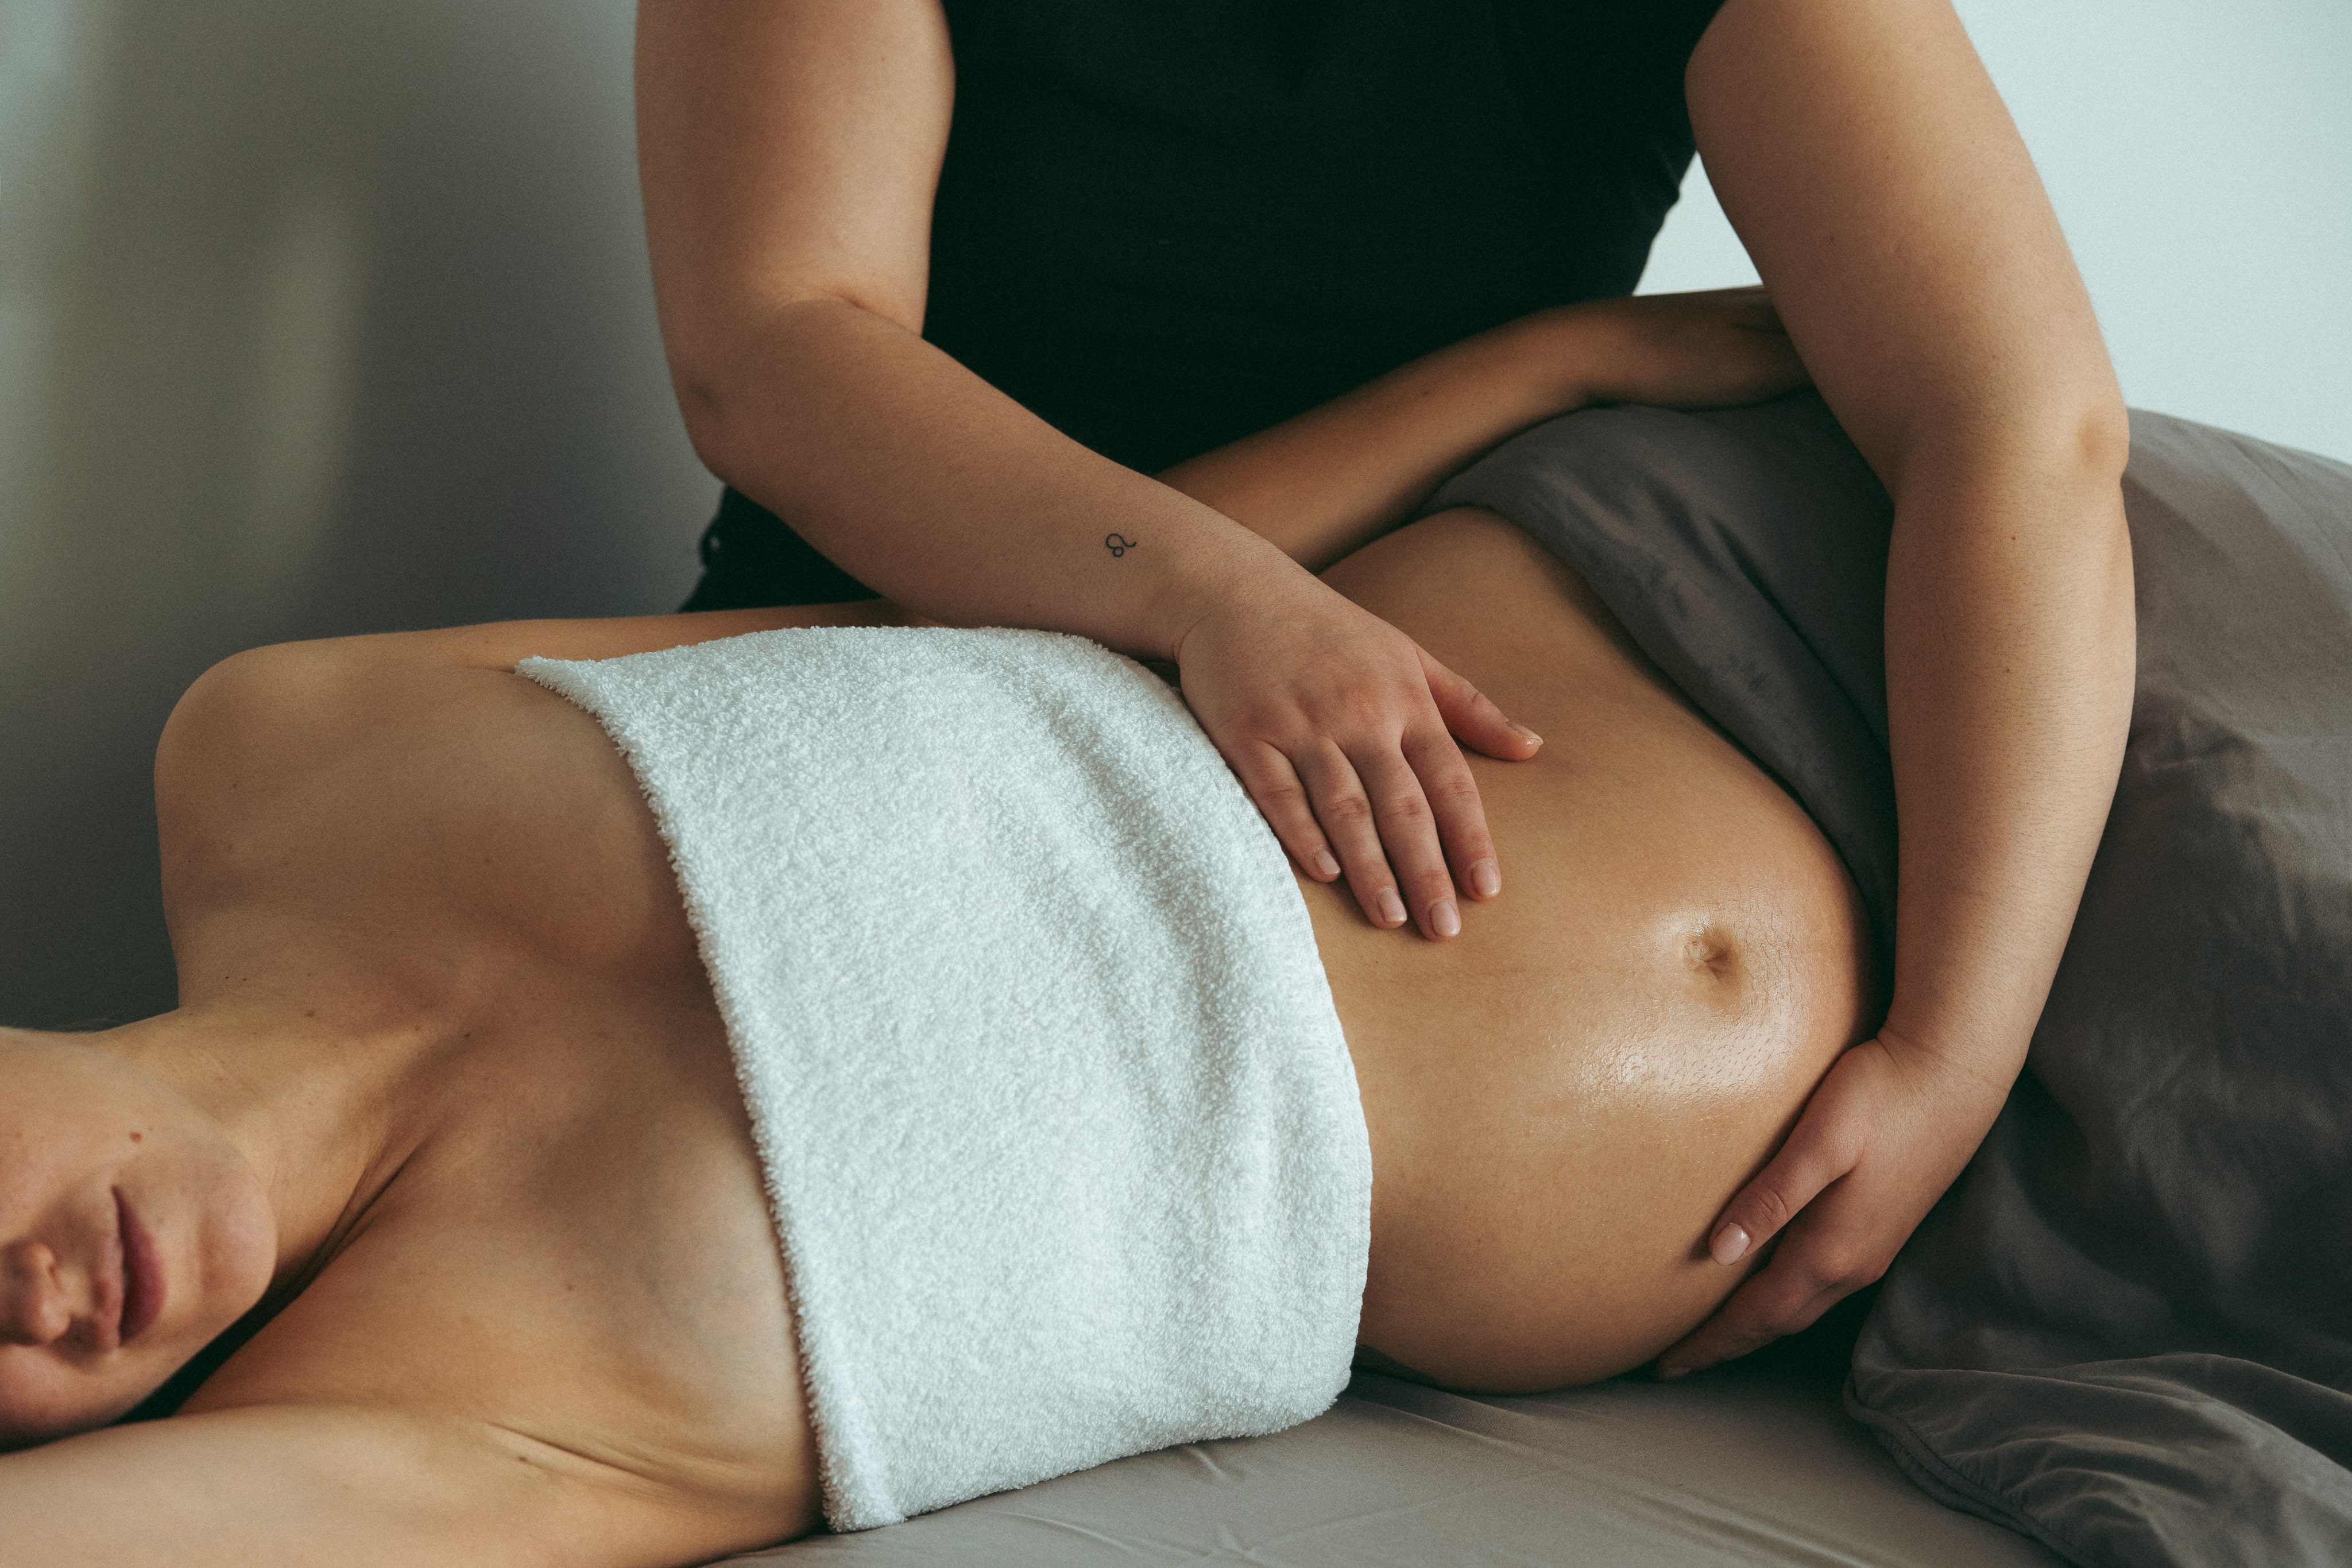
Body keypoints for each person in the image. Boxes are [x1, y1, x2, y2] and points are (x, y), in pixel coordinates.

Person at [1, 296, 1865, 1561]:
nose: (16, 1293)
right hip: (1864, 1176)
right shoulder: (410, 1428)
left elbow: (969, 635)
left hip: (1705, 563)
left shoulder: (278, 756)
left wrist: (1546, 366)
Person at [634, 0, 2138, 1378]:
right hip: (864, 671)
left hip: (1301, 723)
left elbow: (2020, 423)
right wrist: (1226, 581)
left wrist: (1954, 1053)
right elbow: (773, 353)